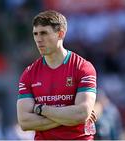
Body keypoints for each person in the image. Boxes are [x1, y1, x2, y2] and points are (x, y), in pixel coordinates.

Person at [17, 10, 97, 140]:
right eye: (35, 34)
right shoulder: (29, 73)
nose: (38, 39)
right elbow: (25, 122)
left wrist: (41, 109)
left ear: (60, 34)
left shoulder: (83, 67)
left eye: (44, 33)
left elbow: (81, 113)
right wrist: (70, 116)